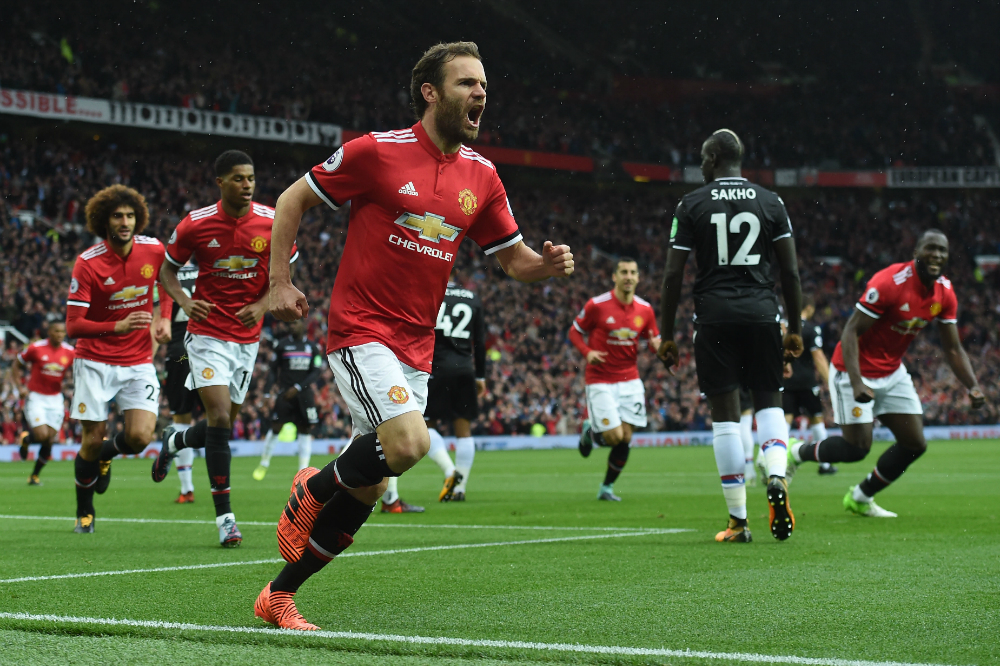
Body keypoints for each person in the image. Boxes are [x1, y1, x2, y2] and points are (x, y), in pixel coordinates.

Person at [255, 41, 574, 630]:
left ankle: (278, 596)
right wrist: (279, 283)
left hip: (417, 347)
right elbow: (290, 199)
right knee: (409, 445)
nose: (481, 93)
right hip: (361, 329)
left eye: (483, 84)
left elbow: (514, 260)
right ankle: (312, 486)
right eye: (466, 84)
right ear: (430, 92)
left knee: (372, 486)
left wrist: (547, 264)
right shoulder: (376, 152)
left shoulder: (483, 175)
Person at [658, 129, 803, 543]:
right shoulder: (771, 202)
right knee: (769, 402)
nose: (701, 166)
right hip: (761, 313)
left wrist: (666, 335)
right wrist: (794, 329)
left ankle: (738, 521)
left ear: (714, 157)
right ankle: (776, 475)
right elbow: (790, 272)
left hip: (715, 317)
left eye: (703, 159)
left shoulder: (691, 204)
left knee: (725, 418)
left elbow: (673, 275)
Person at [154, 150, 299, 548]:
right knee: (218, 418)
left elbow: (283, 277)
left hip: (247, 341)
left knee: (223, 426)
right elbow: (166, 270)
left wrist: (262, 304)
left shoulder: (272, 222)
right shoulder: (196, 225)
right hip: (206, 335)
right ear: (220, 182)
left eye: (250, 177)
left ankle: (175, 440)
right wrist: (183, 302)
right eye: (237, 178)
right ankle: (226, 520)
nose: (247, 184)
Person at [788, 230, 985, 517]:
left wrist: (973, 386)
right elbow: (851, 330)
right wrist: (856, 382)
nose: (938, 255)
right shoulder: (890, 282)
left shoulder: (944, 293)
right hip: (852, 369)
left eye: (943, 250)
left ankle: (860, 496)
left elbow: (953, 348)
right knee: (857, 448)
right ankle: (797, 452)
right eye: (931, 248)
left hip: (892, 371)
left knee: (915, 443)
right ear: (917, 251)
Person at [65, 185, 170, 533]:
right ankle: (85, 510)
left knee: (140, 438)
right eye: (117, 216)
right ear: (103, 220)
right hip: (94, 361)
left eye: (129, 215)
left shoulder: (154, 249)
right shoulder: (88, 262)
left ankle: (107, 456)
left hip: (138, 361)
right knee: (91, 439)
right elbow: (73, 325)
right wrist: (118, 325)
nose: (125, 222)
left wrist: (164, 317)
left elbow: (166, 285)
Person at [571, 258, 660, 501]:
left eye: (633, 272)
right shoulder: (597, 305)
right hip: (600, 379)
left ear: (639, 277)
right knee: (613, 436)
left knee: (626, 437)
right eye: (623, 272)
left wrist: (658, 347)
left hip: (630, 379)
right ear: (615, 276)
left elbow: (655, 342)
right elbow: (575, 331)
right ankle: (591, 432)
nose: (628, 276)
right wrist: (587, 353)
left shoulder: (645, 309)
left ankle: (606, 488)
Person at [422, 274, 487, 504]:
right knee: (464, 430)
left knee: (424, 427)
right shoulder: (472, 298)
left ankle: (450, 471)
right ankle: (460, 488)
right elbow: (479, 341)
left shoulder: (430, 293)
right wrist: (480, 375)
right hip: (465, 369)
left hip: (435, 368)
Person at [254, 320, 324, 480]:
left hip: (304, 395)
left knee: (305, 429)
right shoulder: (282, 345)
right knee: (276, 427)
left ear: (303, 326)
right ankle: (264, 463)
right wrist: (266, 393)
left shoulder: (313, 347)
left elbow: (316, 371)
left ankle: (302, 472)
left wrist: (299, 387)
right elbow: (272, 370)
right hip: (285, 394)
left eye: (294, 324)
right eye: (290, 324)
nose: (291, 326)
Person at [11, 321, 75, 485]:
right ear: (49, 332)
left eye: (62, 332)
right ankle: (27, 438)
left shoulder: (69, 352)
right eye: (57, 331)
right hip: (36, 397)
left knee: (49, 440)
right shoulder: (36, 348)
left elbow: (78, 371)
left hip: (55, 399)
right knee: (41, 435)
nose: (60, 335)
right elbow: (17, 365)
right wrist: (20, 386)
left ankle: (34, 476)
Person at [779, 295, 836, 477]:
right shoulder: (811, 329)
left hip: (785, 381)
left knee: (784, 422)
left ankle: (777, 464)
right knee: (816, 419)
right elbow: (818, 357)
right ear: (809, 308)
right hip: (806, 382)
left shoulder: (782, 327)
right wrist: (830, 382)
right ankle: (826, 464)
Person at [163, 261, 202, 503]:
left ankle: (187, 489)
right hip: (208, 346)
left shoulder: (167, 273)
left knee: (181, 418)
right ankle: (221, 489)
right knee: (219, 419)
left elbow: (160, 315)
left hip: (179, 351)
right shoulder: (209, 267)